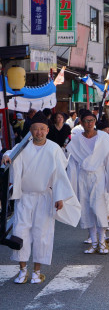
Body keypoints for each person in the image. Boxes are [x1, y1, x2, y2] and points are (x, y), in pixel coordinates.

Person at [2, 111, 80, 284]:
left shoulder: (53, 149)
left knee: (42, 233)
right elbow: (10, 153)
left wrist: (59, 197)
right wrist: (7, 156)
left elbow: (60, 174)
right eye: (35, 129)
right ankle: (23, 270)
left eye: (42, 129)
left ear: (47, 130)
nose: (39, 132)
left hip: (45, 197)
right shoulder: (23, 146)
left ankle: (37, 271)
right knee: (20, 231)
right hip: (24, 197)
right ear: (31, 130)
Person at [66, 110, 109, 255]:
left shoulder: (103, 138)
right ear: (81, 122)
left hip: (98, 175)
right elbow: (72, 164)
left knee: (98, 206)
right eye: (86, 121)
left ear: (95, 122)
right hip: (82, 176)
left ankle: (102, 241)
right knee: (86, 207)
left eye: (92, 120)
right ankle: (93, 241)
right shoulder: (77, 139)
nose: (89, 123)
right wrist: (69, 186)